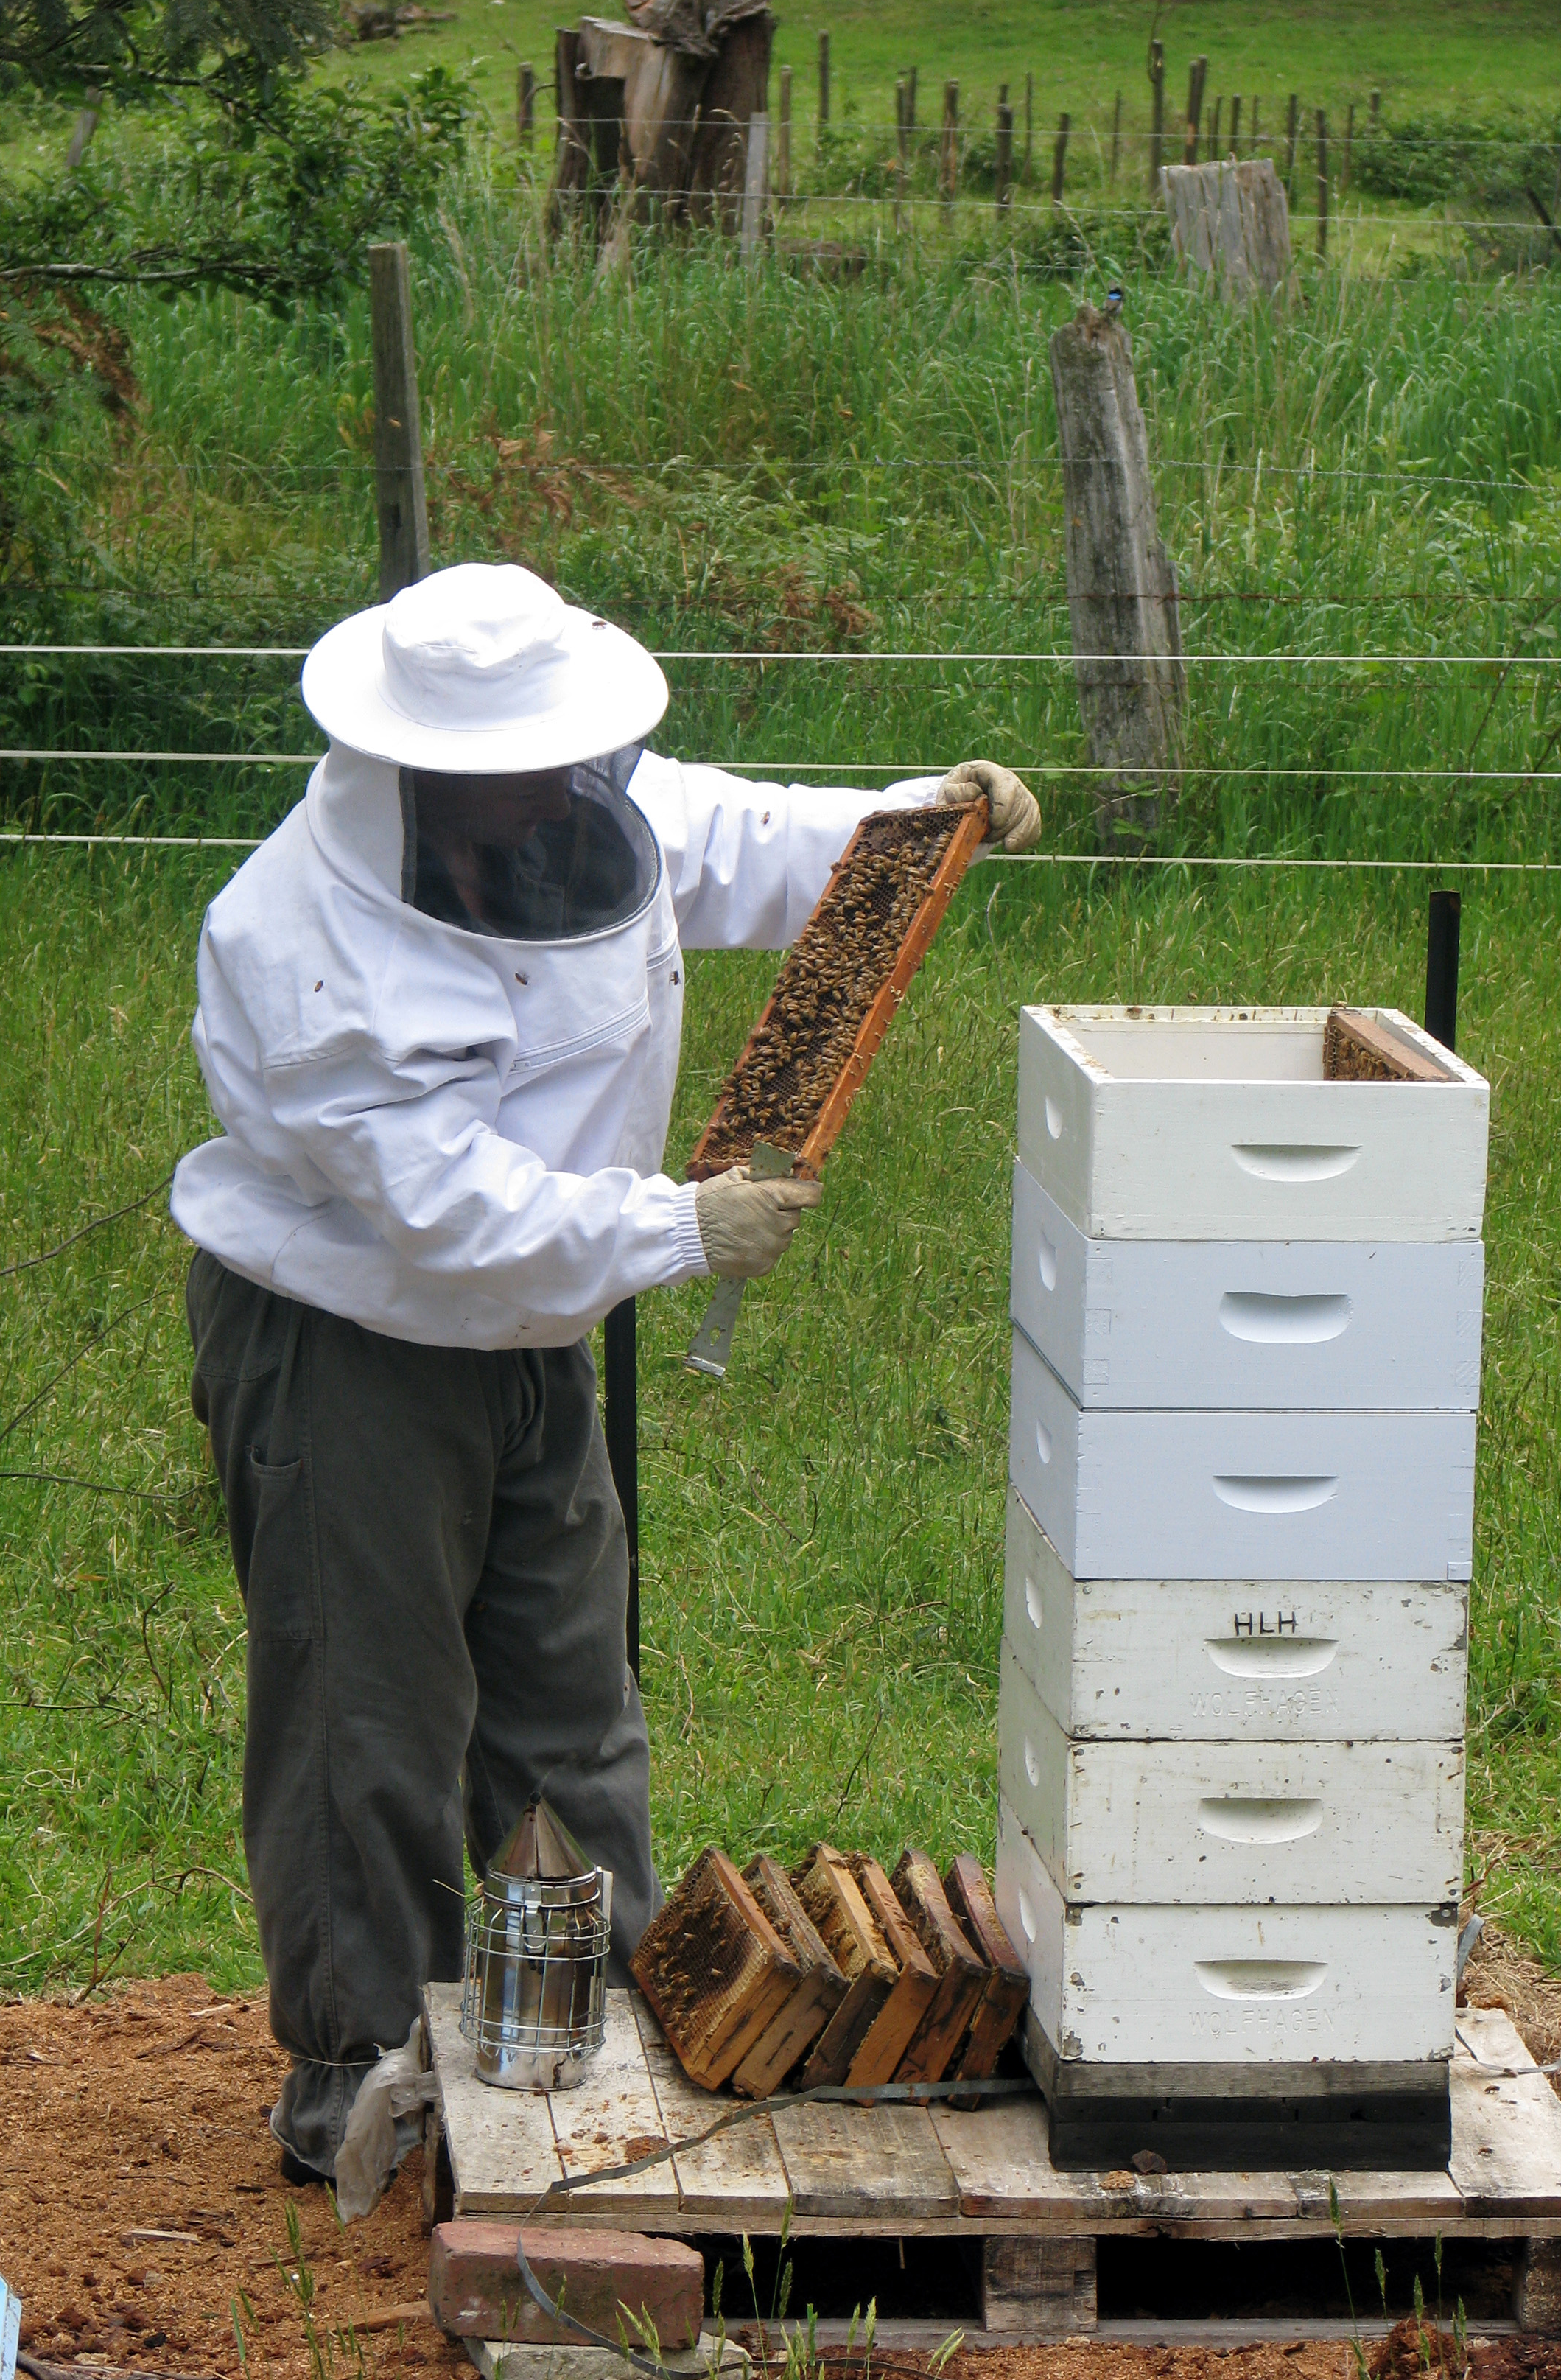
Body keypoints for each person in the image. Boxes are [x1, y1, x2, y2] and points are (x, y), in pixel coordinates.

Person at [171, 562, 1042, 2182]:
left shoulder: (582, 803)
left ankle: (595, 2025)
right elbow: (441, 1211)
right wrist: (676, 1225)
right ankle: (355, 2075)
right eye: (535, 765)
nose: (572, 790)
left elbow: (737, 838)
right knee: (368, 1719)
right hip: (351, 1347)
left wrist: (917, 822)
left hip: (531, 1336)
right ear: (423, 765)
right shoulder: (298, 945)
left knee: (570, 1693)